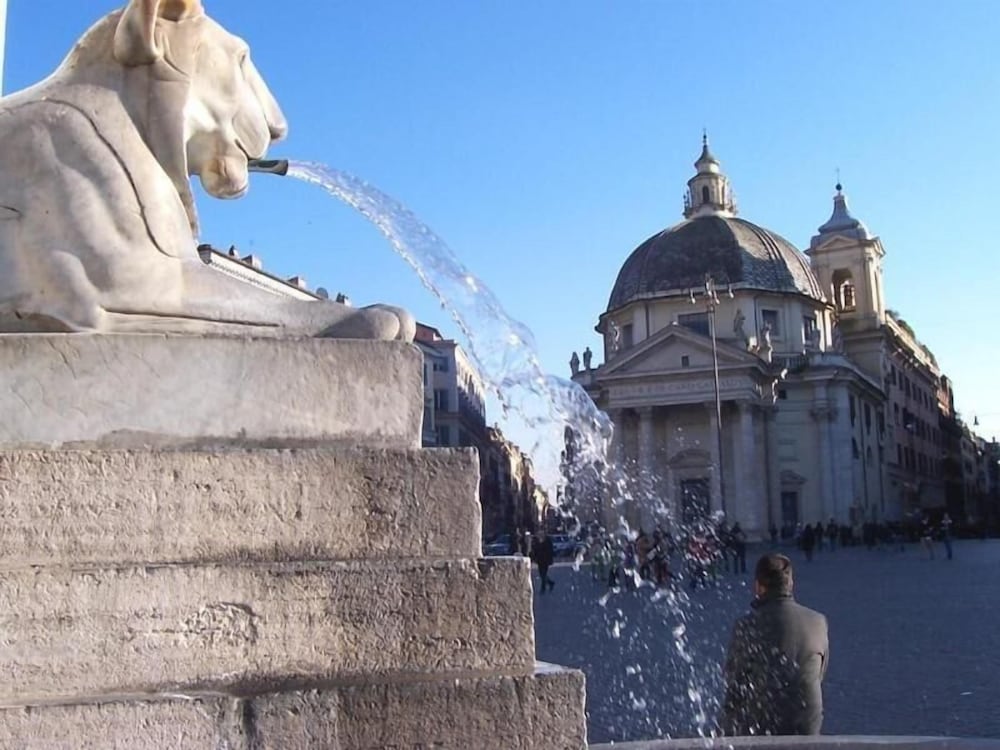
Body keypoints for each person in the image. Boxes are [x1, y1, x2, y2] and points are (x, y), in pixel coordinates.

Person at [721, 554, 829, 737]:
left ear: (758, 587)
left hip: (764, 729)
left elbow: (735, 684)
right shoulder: (818, 621)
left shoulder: (748, 626)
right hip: (808, 729)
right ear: (791, 584)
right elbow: (819, 674)